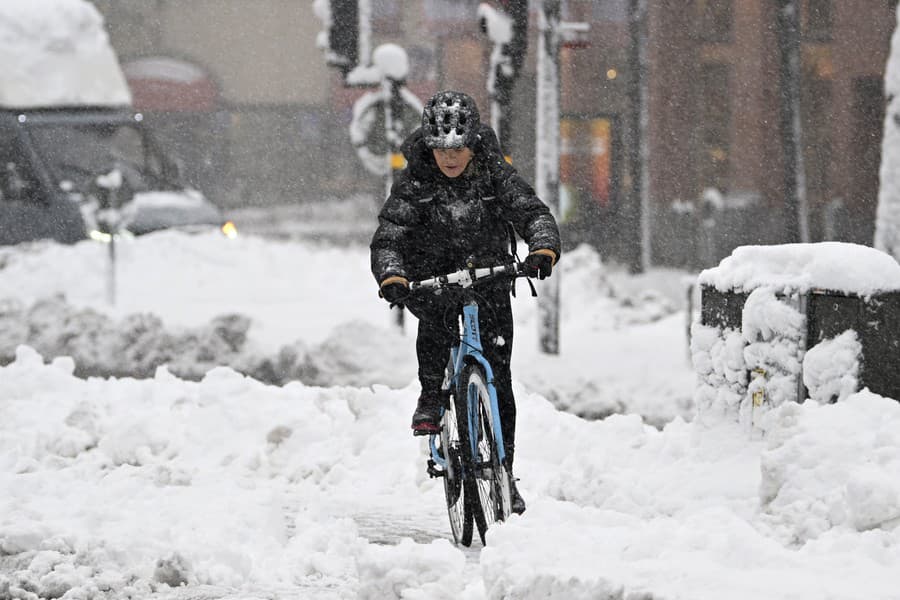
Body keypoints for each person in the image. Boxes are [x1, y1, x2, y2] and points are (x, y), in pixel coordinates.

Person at [370, 90, 560, 514]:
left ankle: (504, 472)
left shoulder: (494, 173)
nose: (450, 158)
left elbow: (531, 211)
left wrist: (542, 245)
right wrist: (393, 274)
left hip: (491, 279)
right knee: (436, 328)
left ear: (473, 143)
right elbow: (389, 237)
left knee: (500, 379)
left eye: (458, 148)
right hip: (433, 281)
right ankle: (431, 397)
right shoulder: (415, 181)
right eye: (442, 150)